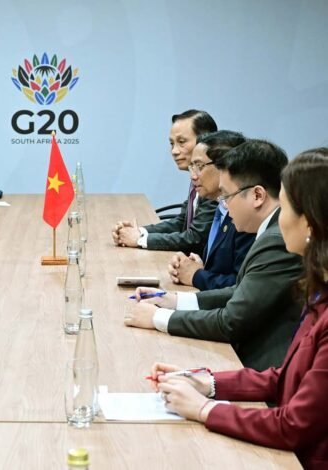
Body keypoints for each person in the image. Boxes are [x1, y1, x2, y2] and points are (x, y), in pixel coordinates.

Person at [150, 148, 328, 469]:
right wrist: (206, 382)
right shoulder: (319, 295)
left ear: (311, 224)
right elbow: (285, 378)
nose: (279, 219)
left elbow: (293, 426)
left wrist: (204, 409)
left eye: (285, 207)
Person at [124, 140, 303, 371]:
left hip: (263, 369)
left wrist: (158, 318)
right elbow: (241, 291)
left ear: (258, 195)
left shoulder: (277, 240)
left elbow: (231, 321)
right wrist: (174, 300)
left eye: (226, 196)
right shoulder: (269, 231)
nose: (223, 205)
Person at [112, 109, 218, 254]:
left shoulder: (213, 185)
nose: (174, 151)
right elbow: (181, 223)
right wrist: (139, 232)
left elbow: (195, 238)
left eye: (181, 142)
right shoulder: (196, 179)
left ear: (205, 142)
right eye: (172, 144)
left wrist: (139, 240)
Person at [167, 131, 255, 290]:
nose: (193, 176)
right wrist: (197, 267)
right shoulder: (220, 206)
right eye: (192, 166)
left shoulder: (246, 218)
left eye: (199, 166)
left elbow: (242, 286)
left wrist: (197, 275)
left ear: (226, 166)